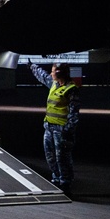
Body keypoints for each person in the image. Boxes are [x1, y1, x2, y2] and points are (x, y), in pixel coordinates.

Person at [28, 60, 80, 194]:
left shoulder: (70, 89)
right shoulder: (54, 83)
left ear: (58, 73)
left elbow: (74, 113)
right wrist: (32, 66)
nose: (50, 74)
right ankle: (56, 179)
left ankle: (65, 182)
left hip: (62, 130)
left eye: (52, 71)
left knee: (62, 157)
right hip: (49, 127)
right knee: (50, 156)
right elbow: (42, 75)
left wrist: (69, 130)